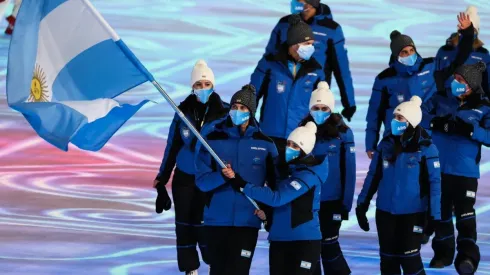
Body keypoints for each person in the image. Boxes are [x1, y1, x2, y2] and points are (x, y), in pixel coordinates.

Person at [153, 60, 229, 275]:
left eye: (206, 84)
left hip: (210, 179)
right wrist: (162, 179)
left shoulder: (223, 112)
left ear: (213, 85)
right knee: (184, 225)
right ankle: (190, 269)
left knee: (205, 223)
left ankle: (214, 262)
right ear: (192, 87)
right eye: (198, 84)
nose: (203, 88)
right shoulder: (182, 112)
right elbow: (172, 145)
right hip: (184, 178)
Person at [365, 13, 474, 160]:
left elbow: (459, 58)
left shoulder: (431, 66)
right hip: (397, 140)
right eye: (404, 52)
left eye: (411, 50)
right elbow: (374, 114)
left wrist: (467, 33)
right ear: (396, 55)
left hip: (428, 137)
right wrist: (370, 144)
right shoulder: (384, 79)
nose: (409, 54)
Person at [195, 84, 277, 275]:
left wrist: (267, 212)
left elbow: (274, 185)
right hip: (216, 220)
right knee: (218, 271)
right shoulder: (213, 138)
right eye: (234, 107)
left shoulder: (265, 143)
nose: (237, 111)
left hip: (247, 221)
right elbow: (201, 181)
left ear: (251, 112)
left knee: (239, 271)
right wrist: (222, 176)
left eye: (242, 108)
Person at [356, 96, 441, 275]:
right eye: (394, 117)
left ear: (411, 121)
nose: (395, 121)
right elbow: (373, 176)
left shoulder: (426, 148)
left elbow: (434, 184)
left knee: (410, 261)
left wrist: (434, 216)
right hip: (385, 213)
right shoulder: (385, 145)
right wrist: (362, 205)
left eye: (400, 118)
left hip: (412, 214)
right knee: (388, 262)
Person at [232, 121, 328, 275]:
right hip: (279, 241)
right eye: (289, 143)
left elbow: (278, 198)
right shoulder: (285, 172)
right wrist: (268, 215)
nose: (289, 148)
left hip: (303, 242)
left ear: (305, 150)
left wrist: (244, 185)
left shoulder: (308, 176)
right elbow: (280, 205)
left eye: (295, 146)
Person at [423, 61, 490, 274]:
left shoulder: (484, 107)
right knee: (440, 215)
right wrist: (436, 123)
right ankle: (443, 254)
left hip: (465, 172)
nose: (456, 82)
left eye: (462, 80)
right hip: (438, 169)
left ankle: (467, 258)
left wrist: (471, 131)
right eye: (456, 78)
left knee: (465, 216)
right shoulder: (440, 99)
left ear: (471, 85)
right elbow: (419, 117)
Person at [251, 14, 325, 169]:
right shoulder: (269, 64)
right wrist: (250, 129)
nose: (311, 47)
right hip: (270, 135)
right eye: (307, 43)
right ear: (294, 44)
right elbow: (252, 95)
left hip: (299, 140)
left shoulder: (316, 70)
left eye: (312, 43)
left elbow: (322, 105)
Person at [263, 0, 356, 121]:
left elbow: (341, 68)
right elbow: (268, 61)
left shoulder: (331, 30)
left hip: (314, 96)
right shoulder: (284, 24)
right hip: (283, 94)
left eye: (305, 3)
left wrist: (349, 103)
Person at [298, 81, 355, 275]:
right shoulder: (301, 131)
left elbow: (350, 172)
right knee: (311, 249)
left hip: (332, 202)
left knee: (329, 246)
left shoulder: (343, 134)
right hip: (308, 201)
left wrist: (345, 204)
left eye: (324, 108)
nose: (320, 111)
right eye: (316, 107)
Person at [435, 6, 490, 98]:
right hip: (447, 100)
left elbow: (487, 83)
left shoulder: (483, 54)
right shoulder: (445, 50)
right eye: (465, 29)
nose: (470, 33)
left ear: (477, 31)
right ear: (459, 29)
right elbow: (437, 77)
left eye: (472, 30)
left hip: (473, 102)